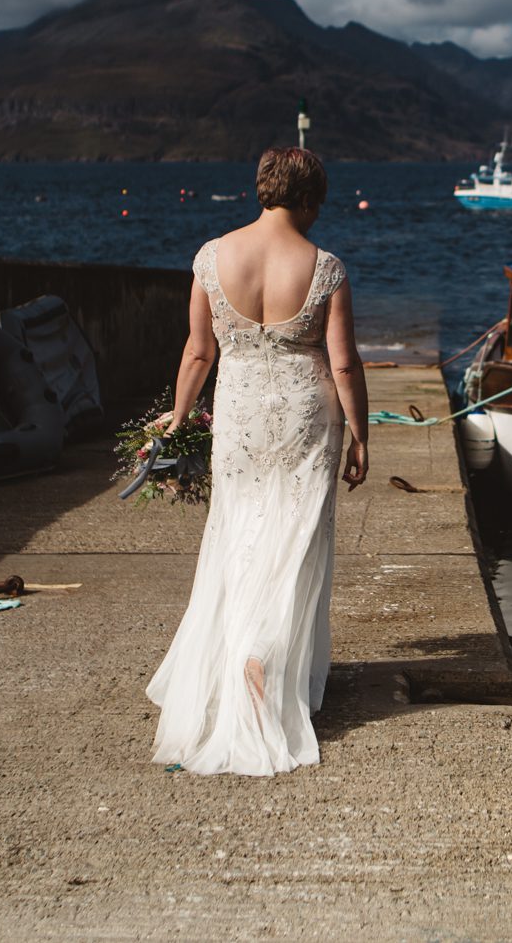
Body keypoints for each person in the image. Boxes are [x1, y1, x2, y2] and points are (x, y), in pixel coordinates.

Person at [145, 146, 369, 775]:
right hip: (305, 414)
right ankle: (266, 655)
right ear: (308, 199)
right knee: (294, 535)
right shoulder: (325, 267)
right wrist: (360, 433)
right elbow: (345, 363)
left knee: (239, 529)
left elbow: (197, 352)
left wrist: (181, 414)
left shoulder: (211, 258)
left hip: (241, 410)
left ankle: (234, 657)